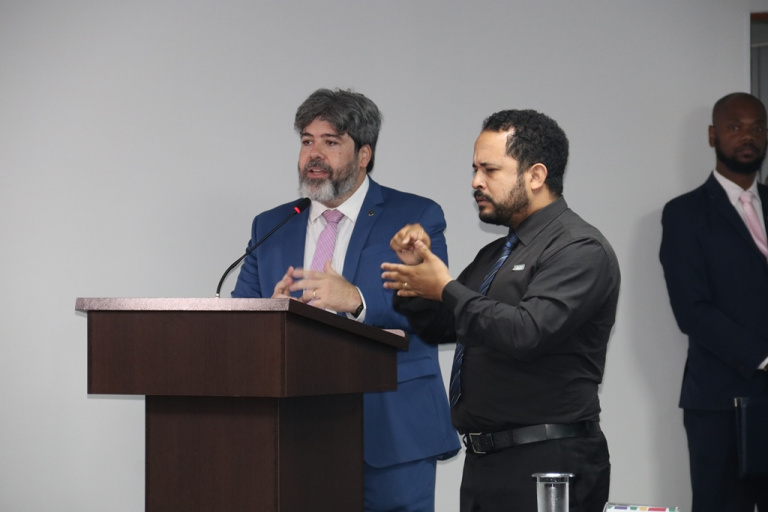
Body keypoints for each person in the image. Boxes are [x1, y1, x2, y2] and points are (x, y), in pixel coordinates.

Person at [231, 88, 460, 512]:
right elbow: (238, 325)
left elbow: (435, 308)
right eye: (307, 141)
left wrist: (357, 299)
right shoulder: (272, 225)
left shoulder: (415, 215)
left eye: (330, 142)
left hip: (392, 426)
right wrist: (270, 315)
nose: (314, 154)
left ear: (364, 154)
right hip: (297, 429)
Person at [381, 109, 620, 512]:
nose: (476, 181)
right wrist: (418, 280)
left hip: (549, 460)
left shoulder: (579, 248)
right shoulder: (496, 254)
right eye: (475, 169)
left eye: (489, 169)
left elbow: (527, 332)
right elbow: (443, 325)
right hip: (485, 462)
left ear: (536, 175)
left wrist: (447, 288)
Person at [659, 92, 768, 512]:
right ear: (713, 135)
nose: (747, 136)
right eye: (735, 126)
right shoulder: (684, 214)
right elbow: (692, 310)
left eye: (757, 127)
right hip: (720, 404)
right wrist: (763, 357)